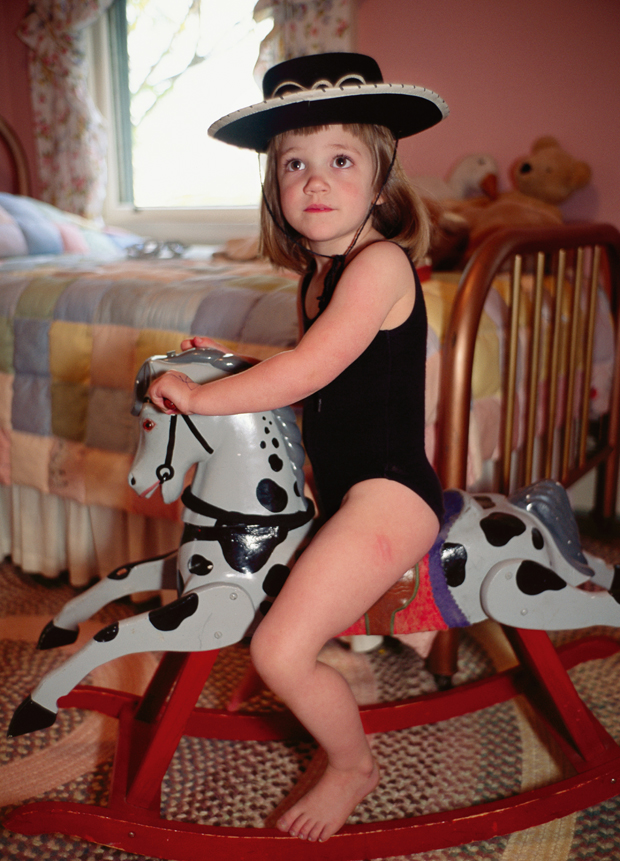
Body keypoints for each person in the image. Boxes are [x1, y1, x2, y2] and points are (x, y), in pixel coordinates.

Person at [148, 52, 449, 843]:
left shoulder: (380, 264)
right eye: (294, 164)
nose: (315, 180)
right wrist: (218, 368)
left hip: (391, 492)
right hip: (342, 485)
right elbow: (313, 381)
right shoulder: (316, 278)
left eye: (340, 160)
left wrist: (208, 397)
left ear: (382, 184)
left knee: (283, 650)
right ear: (274, 191)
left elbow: (308, 369)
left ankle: (353, 762)